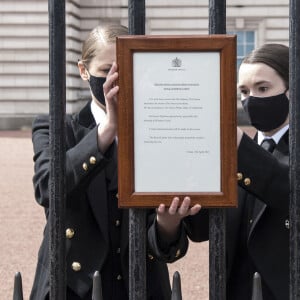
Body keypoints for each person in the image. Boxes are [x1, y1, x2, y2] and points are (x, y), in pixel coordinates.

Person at [30, 23, 201, 300]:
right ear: (83, 71)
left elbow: (177, 238)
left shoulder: (163, 128)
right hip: (72, 286)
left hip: (139, 286)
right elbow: (48, 188)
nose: (115, 80)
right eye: (105, 70)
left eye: (124, 69)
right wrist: (108, 129)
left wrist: (166, 225)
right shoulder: (56, 128)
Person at [180, 43, 290, 300]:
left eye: (263, 88)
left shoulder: (240, 150)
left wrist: (235, 141)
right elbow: (200, 229)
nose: (250, 98)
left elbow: (287, 190)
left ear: (290, 90)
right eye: (243, 90)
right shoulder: (234, 152)